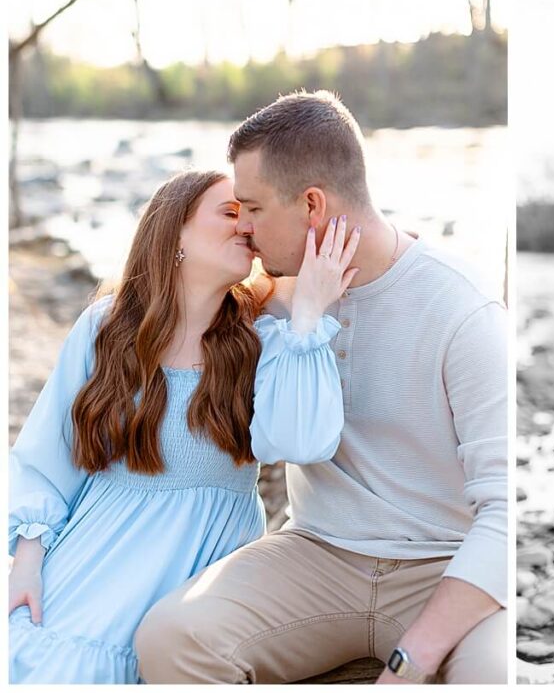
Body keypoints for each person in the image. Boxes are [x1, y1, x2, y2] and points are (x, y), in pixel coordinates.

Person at [135, 91, 508, 684]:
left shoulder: (462, 308)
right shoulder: (267, 299)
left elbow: (505, 511)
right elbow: (162, 322)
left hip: (442, 565)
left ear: (312, 204)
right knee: (169, 639)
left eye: (252, 207)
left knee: (491, 677)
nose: (245, 230)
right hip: (316, 553)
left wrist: (413, 660)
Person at [8, 169, 360, 683]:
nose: (246, 227)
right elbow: (47, 456)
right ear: (175, 231)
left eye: (251, 214)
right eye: (229, 212)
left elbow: (300, 442)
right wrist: (27, 558)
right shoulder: (105, 328)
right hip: (96, 566)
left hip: (204, 579)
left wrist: (307, 314)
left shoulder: (263, 338)